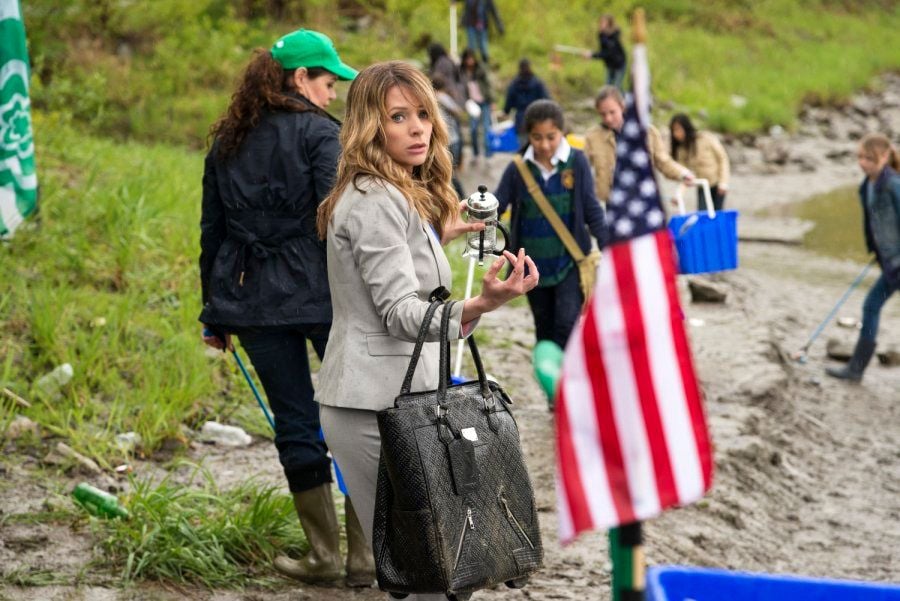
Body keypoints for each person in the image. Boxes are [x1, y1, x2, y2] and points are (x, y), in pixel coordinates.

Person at [314, 61, 538, 601]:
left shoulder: (397, 193)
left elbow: (410, 289)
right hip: (372, 406)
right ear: (370, 125)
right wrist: (482, 300)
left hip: (406, 400)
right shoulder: (372, 200)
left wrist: (439, 240)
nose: (418, 128)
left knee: (442, 570)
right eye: (398, 117)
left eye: (422, 114)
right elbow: (399, 313)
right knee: (429, 574)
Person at [198, 29, 374, 587]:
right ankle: (365, 560)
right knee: (357, 416)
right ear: (299, 79)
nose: (332, 94)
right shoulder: (324, 136)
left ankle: (322, 556)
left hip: (251, 300)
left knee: (295, 423)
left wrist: (214, 312)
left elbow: (213, 232)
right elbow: (343, 222)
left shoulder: (227, 137)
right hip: (327, 296)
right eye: (327, 83)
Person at [495, 99, 608, 348]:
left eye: (551, 137)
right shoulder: (518, 168)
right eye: (537, 137)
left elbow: (591, 208)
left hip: (570, 262)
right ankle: (551, 385)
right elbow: (498, 204)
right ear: (528, 135)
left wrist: (609, 246)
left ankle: (568, 384)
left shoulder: (576, 162)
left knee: (566, 327)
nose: (544, 145)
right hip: (532, 268)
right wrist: (481, 213)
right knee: (544, 330)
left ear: (562, 132)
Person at [825, 133, 900, 382]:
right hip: (891, 264)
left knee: (871, 306)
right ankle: (856, 369)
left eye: (869, 158)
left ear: (885, 157)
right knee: (871, 306)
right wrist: (879, 250)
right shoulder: (866, 185)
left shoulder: (893, 184)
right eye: (860, 157)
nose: (863, 163)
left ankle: (856, 369)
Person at [584, 85, 693, 203]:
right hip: (611, 203)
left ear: (622, 107)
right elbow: (581, 167)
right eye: (603, 114)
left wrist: (682, 173)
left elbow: (663, 161)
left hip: (642, 200)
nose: (608, 118)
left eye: (612, 112)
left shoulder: (647, 133)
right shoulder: (592, 138)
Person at [669, 113, 731, 211]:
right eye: (673, 131)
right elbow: (684, 175)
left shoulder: (705, 139)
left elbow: (722, 159)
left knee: (718, 214)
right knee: (703, 213)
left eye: (678, 129)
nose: (676, 134)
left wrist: (723, 182)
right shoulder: (682, 150)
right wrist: (678, 195)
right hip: (702, 185)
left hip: (717, 183)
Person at [432, 74, 465, 198]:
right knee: (447, 172)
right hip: (452, 139)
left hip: (448, 140)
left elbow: (458, 111)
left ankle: (460, 197)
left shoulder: (440, 97)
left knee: (448, 173)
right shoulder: (441, 97)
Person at [503, 59, 551, 146]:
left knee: (523, 145)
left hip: (521, 117)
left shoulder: (514, 84)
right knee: (537, 143)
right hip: (536, 116)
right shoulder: (537, 82)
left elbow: (509, 100)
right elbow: (546, 99)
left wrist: (506, 111)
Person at [460, 47, 494, 164]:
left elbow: (488, 85)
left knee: (485, 128)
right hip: (472, 104)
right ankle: (476, 154)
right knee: (473, 129)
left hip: (484, 102)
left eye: (471, 58)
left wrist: (491, 101)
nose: (470, 61)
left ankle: (488, 155)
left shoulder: (480, 70)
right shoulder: (462, 72)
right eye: (467, 59)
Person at [584, 14, 626, 90]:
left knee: (616, 87)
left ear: (608, 24)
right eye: (600, 22)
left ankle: (622, 100)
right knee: (608, 86)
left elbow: (608, 52)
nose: (600, 25)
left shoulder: (614, 35)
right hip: (610, 65)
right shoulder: (601, 35)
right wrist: (592, 54)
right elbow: (603, 51)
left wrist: (592, 55)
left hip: (619, 64)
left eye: (603, 23)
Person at [462, 0, 504, 65]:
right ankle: (471, 65)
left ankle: (485, 64)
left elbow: (494, 12)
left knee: (483, 48)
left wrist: (499, 25)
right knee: (471, 47)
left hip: (482, 26)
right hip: (471, 25)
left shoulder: (487, 1)